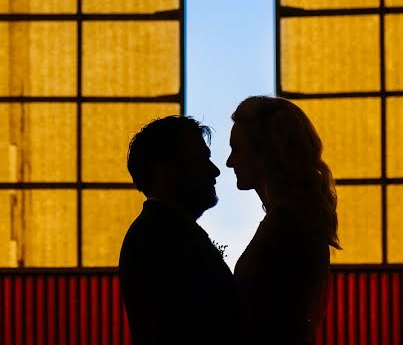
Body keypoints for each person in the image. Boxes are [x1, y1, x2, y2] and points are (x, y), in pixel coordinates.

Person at [226, 96, 340, 344]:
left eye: (237, 149)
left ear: (266, 154)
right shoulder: (295, 219)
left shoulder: (286, 226)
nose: (229, 162)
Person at [119, 115, 238, 344]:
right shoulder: (163, 238)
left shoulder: (157, 231)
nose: (215, 171)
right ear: (167, 171)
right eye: (202, 160)